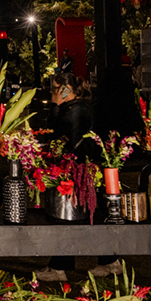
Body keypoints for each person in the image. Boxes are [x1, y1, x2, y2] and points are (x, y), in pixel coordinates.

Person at [34, 72, 119, 281]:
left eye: (54, 88)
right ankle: (102, 261)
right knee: (81, 217)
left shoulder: (75, 111)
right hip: (78, 170)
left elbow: (59, 136)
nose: (50, 92)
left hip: (77, 172)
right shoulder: (74, 108)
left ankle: (65, 265)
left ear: (64, 91)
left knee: (76, 217)